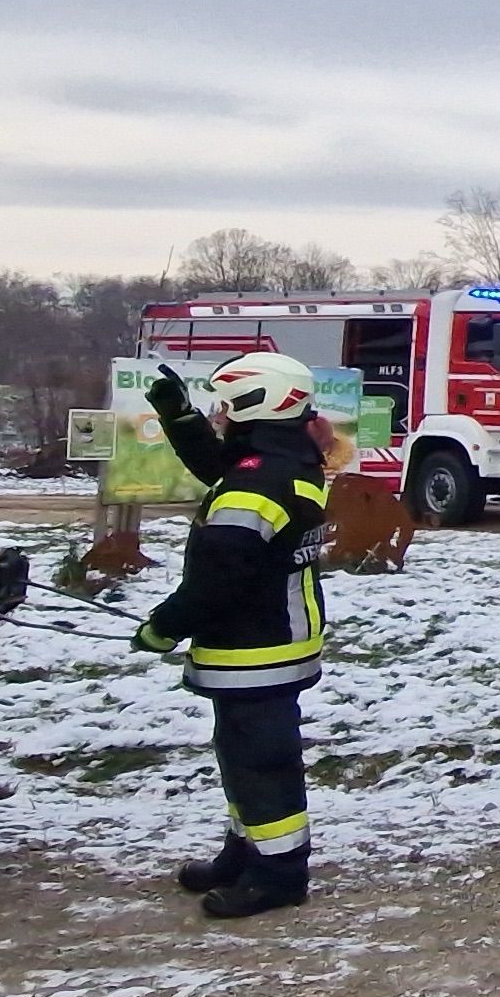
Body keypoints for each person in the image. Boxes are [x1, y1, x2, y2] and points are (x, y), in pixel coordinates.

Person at [137, 351, 334, 919]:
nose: (219, 416)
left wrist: (162, 627)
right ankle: (245, 850)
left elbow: (220, 577)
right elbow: (224, 464)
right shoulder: (278, 459)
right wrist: (181, 419)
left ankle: (278, 874)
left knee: (262, 761)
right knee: (242, 756)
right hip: (265, 639)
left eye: (226, 407)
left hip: (258, 646)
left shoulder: (261, 484)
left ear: (258, 405)